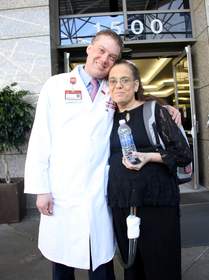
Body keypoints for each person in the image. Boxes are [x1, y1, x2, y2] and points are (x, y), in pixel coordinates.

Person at [24, 29, 181, 280]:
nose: (104, 59)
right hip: (63, 190)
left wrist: (165, 106)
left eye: (112, 56)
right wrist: (41, 189)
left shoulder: (112, 88)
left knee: (101, 261)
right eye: (101, 50)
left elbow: (137, 99)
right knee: (63, 263)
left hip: (100, 192)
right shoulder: (56, 85)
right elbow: (41, 138)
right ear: (89, 48)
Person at [107, 60, 192, 280]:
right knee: (132, 266)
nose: (119, 85)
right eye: (113, 81)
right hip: (121, 203)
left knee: (161, 263)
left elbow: (183, 154)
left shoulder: (154, 111)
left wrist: (148, 157)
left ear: (136, 85)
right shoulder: (106, 118)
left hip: (157, 203)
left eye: (125, 80)